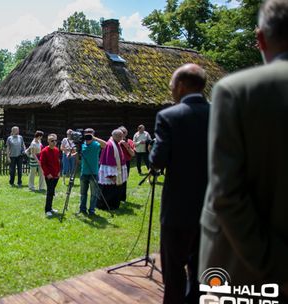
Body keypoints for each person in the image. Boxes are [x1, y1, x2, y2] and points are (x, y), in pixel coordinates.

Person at [200, 0, 288, 299]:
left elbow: (226, 192)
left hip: (242, 266)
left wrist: (273, 265)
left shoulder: (237, 90)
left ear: (260, 38)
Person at [149, 63, 210, 304]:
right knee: (202, 271)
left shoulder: (169, 116)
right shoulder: (221, 113)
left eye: (172, 85)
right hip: (212, 207)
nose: (171, 89)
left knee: (174, 272)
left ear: (182, 86)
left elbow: (157, 161)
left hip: (178, 208)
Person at [78, 128, 106, 216]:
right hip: (83, 172)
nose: (88, 136)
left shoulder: (96, 144)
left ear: (93, 134)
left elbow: (105, 144)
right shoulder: (82, 144)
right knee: (83, 193)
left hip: (93, 172)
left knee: (94, 194)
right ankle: (82, 209)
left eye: (90, 134)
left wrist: (94, 138)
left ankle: (92, 210)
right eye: (86, 134)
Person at [97, 129, 127, 211]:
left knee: (115, 190)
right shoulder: (110, 145)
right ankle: (105, 206)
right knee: (108, 191)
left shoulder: (116, 143)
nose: (122, 138)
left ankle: (113, 205)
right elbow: (109, 160)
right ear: (115, 136)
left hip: (117, 171)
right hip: (111, 172)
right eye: (120, 136)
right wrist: (112, 175)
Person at [40, 134, 60, 217]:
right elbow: (43, 164)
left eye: (55, 140)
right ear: (48, 141)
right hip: (49, 176)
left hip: (56, 175)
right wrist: (47, 174)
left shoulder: (56, 150)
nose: (54, 142)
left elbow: (58, 161)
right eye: (52, 141)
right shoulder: (44, 151)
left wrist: (59, 171)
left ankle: (50, 208)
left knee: (52, 192)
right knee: (49, 192)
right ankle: (47, 210)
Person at [118, 126, 135, 202]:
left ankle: (122, 198)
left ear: (126, 133)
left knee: (124, 180)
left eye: (124, 133)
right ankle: (115, 197)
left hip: (126, 163)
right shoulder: (115, 141)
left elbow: (133, 154)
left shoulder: (130, 141)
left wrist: (126, 146)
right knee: (115, 180)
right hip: (116, 163)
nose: (122, 134)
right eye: (121, 133)